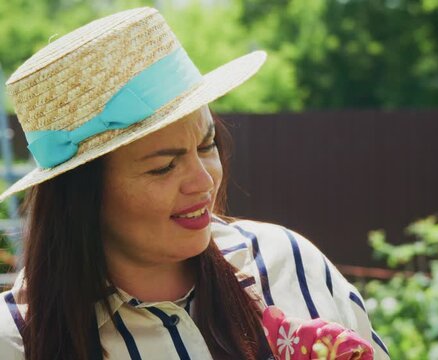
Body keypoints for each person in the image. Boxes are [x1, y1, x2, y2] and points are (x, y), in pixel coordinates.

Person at [0, 7, 390, 360]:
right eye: (163, 167)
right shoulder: (16, 341)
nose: (204, 181)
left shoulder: (290, 264)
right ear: (82, 197)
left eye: (206, 146)